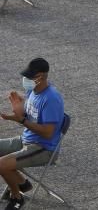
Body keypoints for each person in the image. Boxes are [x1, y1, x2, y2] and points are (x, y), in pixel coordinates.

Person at [0, 58, 65, 210]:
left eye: (30, 77)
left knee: (1, 164)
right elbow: (28, 115)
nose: (26, 80)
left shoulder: (51, 99)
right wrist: (18, 109)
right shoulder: (32, 91)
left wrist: (21, 120)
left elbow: (48, 133)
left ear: (40, 77)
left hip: (43, 148)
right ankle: (22, 183)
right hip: (26, 139)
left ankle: (17, 197)